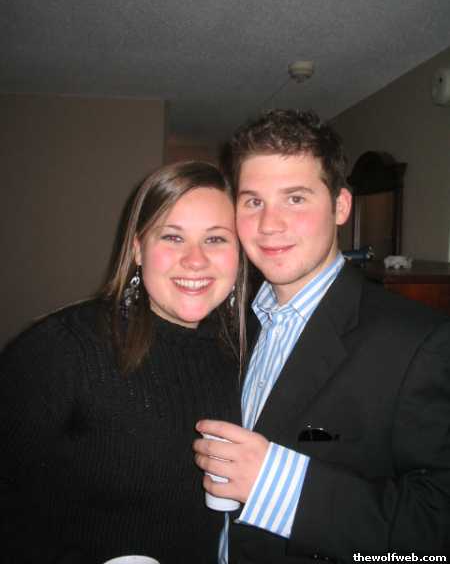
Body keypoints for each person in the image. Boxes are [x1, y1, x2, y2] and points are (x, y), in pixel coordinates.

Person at [193, 109, 450, 562]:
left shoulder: (419, 342)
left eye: (295, 198)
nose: (269, 224)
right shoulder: (231, 322)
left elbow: (435, 532)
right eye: (253, 202)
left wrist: (277, 484)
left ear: (341, 206)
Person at [0, 160, 248, 564]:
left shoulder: (245, 351)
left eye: (216, 239)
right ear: (137, 249)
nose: (195, 260)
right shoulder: (62, 348)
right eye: (172, 237)